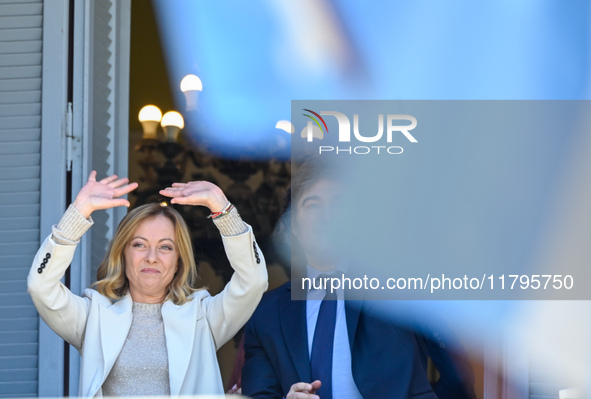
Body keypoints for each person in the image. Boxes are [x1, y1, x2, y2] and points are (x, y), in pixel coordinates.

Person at [241, 156, 476, 399]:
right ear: (294, 226)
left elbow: (457, 376)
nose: (327, 216)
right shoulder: (266, 315)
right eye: (313, 205)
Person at [27, 171, 268, 397]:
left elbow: (253, 281)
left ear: (178, 262)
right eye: (139, 244)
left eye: (165, 247)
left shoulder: (203, 317)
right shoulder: (94, 316)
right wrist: (78, 214)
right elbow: (41, 287)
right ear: (123, 254)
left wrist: (222, 208)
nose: (151, 256)